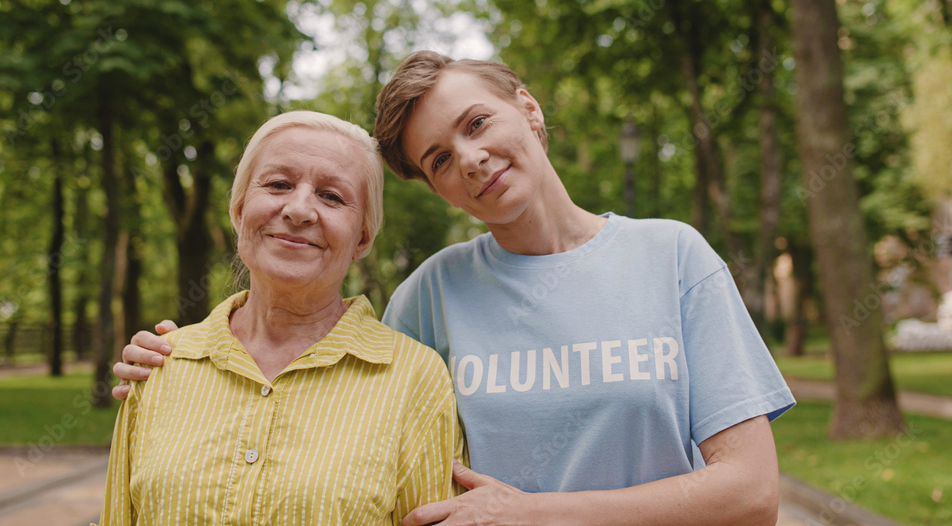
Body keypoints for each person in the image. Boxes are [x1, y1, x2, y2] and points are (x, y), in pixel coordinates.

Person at [114, 53, 795, 525]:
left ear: (526, 107)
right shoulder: (430, 295)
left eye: (476, 123)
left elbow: (751, 493)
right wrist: (192, 357)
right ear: (436, 187)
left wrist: (532, 513)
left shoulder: (672, 256)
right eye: (439, 158)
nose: (469, 159)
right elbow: (321, 375)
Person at [97, 111, 462, 525]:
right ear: (239, 210)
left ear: (361, 237)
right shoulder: (160, 364)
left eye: (331, 196)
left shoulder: (415, 378)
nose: (299, 209)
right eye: (278, 185)